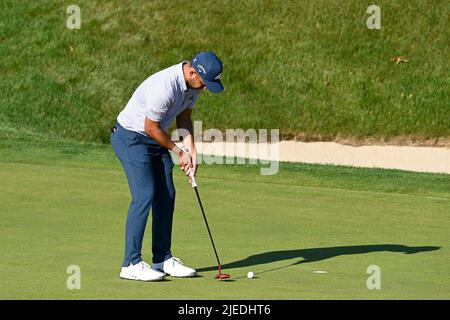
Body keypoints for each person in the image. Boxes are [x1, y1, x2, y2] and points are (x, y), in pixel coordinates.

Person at [110, 52, 224, 281]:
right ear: (192, 72)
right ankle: (130, 263)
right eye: (203, 82)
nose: (204, 88)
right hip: (131, 137)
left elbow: (184, 118)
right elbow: (151, 127)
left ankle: (162, 258)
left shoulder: (192, 86)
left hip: (153, 138)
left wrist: (191, 152)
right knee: (145, 195)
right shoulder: (165, 86)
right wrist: (178, 152)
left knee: (166, 195)